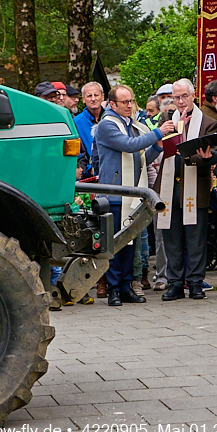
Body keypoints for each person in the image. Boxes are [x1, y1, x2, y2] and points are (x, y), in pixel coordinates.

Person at [93, 85, 175, 306]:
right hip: (114, 194)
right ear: (112, 104)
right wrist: (158, 132)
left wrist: (156, 147)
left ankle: (126, 286)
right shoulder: (107, 125)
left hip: (131, 193)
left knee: (130, 244)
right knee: (115, 245)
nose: (130, 105)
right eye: (124, 102)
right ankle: (113, 290)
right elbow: (129, 146)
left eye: (131, 101)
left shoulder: (132, 125)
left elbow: (139, 160)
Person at [157, 79, 217, 301]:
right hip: (169, 186)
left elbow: (214, 155)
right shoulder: (167, 118)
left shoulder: (208, 123)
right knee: (172, 237)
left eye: (184, 96)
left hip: (195, 186)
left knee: (195, 238)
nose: (181, 101)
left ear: (193, 96)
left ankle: (194, 282)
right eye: (176, 98)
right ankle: (174, 283)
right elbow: (161, 147)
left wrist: (199, 156)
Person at [74, 82, 106, 178]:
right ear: (83, 99)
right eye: (89, 96)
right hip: (89, 176)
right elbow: (78, 152)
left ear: (102, 97)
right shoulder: (76, 122)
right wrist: (89, 170)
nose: (93, 99)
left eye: (96, 95)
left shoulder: (111, 118)